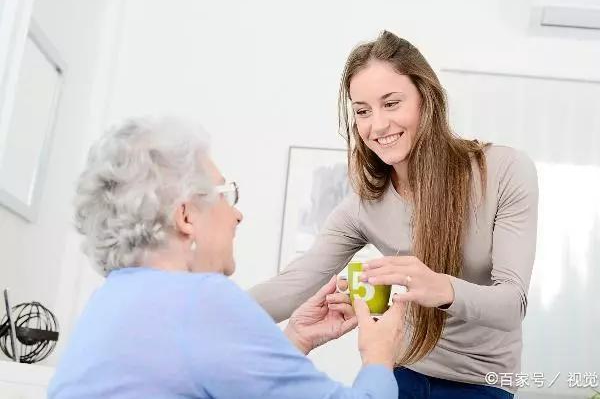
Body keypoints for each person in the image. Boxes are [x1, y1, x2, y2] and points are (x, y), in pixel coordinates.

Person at [250, 30, 539, 399]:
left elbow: (512, 305)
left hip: (482, 384)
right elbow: (292, 285)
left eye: (391, 103)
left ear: (425, 99)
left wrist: (441, 286)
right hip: (399, 374)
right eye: (362, 111)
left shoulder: (503, 170)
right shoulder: (362, 205)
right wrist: (199, 312)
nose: (378, 125)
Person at [48, 117, 406, 399]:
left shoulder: (109, 302)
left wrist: (296, 337)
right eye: (225, 194)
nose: (237, 215)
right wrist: (378, 353)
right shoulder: (200, 301)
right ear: (186, 216)